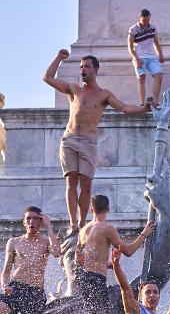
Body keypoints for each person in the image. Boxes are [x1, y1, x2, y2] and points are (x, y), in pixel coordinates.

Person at [43, 50, 150, 237]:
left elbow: (124, 107)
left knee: (86, 184)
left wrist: (143, 109)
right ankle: (73, 223)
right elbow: (48, 78)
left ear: (95, 70)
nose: (83, 70)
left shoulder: (103, 94)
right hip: (69, 139)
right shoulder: (74, 89)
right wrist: (59, 58)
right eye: (81, 67)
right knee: (71, 180)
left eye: (86, 66)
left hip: (88, 141)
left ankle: (83, 222)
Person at [75, 194, 155, 314]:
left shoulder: (84, 230)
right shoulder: (107, 228)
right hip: (95, 280)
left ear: (92, 209)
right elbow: (127, 251)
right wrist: (143, 235)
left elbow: (80, 259)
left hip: (85, 278)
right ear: (108, 209)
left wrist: (105, 265)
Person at [128, 9, 165, 106]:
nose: (145, 22)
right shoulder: (133, 29)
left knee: (158, 76)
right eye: (144, 20)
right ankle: (142, 102)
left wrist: (160, 55)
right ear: (140, 19)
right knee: (141, 78)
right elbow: (130, 46)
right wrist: (136, 58)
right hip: (139, 56)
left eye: (147, 20)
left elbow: (156, 43)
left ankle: (156, 101)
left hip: (152, 56)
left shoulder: (153, 27)